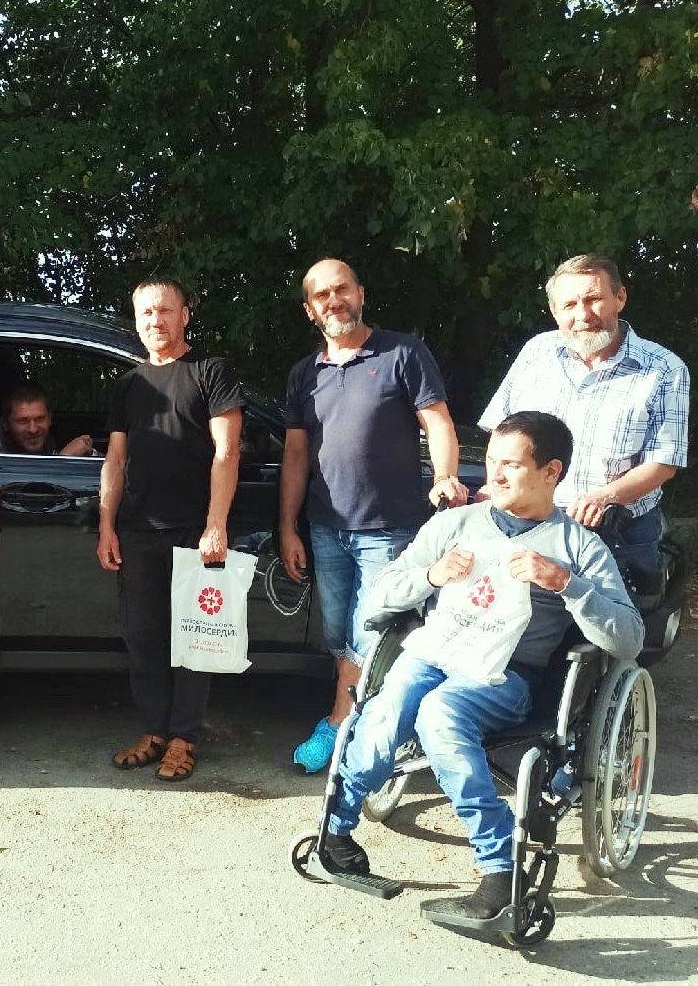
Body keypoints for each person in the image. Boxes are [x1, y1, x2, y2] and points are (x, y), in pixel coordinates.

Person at [319, 411, 643, 918]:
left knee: (439, 713)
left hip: (507, 677)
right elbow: (379, 597)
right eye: (491, 461)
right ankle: (336, 831)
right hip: (436, 652)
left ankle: (498, 867)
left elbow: (628, 639)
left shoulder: (577, 546)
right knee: (391, 704)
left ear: (551, 472)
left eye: (510, 465)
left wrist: (565, 584)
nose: (492, 476)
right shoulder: (453, 525)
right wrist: (431, 575)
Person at [279, 258, 467, 774]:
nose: (333, 300)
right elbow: (295, 456)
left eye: (342, 289)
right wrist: (287, 527)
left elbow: (438, 422)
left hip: (390, 528)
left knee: (372, 631)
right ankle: (369, 720)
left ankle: (342, 725)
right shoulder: (304, 374)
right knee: (339, 632)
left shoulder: (403, 352)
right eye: (322, 295)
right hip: (325, 527)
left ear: (360, 292)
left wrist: (445, 476)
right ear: (309, 309)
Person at [97, 277, 243, 782]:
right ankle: (154, 731)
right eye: (145, 314)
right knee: (143, 636)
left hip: (195, 532)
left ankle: (184, 737)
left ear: (184, 314)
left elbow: (226, 453)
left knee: (195, 639)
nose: (155, 321)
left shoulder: (210, 372)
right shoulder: (128, 384)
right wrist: (106, 525)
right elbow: (115, 460)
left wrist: (215, 524)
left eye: (164, 311)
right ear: (136, 322)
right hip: (137, 531)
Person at [479, 255, 689, 575]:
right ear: (554, 311)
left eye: (594, 300)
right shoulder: (537, 352)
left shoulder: (664, 369)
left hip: (619, 537)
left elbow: (663, 463)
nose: (583, 315)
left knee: (613, 624)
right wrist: (493, 486)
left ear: (620, 298)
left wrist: (606, 497)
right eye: (569, 305)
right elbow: (500, 431)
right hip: (527, 527)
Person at [2, 381, 94, 456]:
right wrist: (63, 459)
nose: (33, 430)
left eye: (40, 419)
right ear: (6, 424)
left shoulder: (56, 442)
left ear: (50, 419)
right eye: (23, 421)